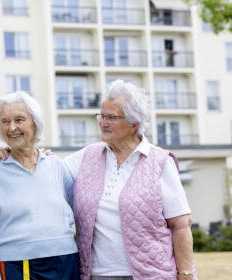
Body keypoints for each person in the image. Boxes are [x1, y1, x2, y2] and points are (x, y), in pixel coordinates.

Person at [64, 80, 197, 280]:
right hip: (97, 275)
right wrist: (17, 155)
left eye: (111, 117)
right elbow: (50, 172)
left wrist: (185, 274)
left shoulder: (159, 162)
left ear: (134, 123)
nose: (103, 122)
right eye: (101, 116)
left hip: (151, 275)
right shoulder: (87, 156)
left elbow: (181, 225)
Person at [0, 91, 79, 280]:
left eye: (19, 119)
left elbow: (79, 210)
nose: (12, 127)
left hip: (65, 259)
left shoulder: (56, 165)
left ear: (35, 124)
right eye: (5, 121)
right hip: (20, 263)